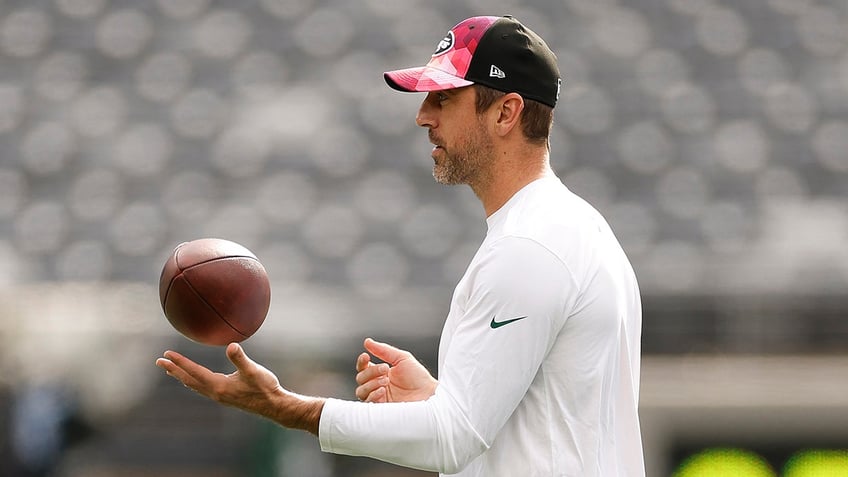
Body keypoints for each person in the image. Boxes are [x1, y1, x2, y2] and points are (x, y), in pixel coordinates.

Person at [156, 15, 645, 476]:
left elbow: (454, 437)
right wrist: (437, 398)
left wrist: (285, 406)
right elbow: (533, 424)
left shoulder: (531, 247)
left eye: (445, 98)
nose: (422, 116)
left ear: (506, 112)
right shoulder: (571, 229)